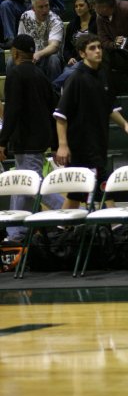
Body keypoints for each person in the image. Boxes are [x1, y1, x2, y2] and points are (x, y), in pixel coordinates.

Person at [54, 34, 128, 208]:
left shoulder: (102, 75)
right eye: (92, 48)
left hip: (99, 143)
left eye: (99, 47)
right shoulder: (75, 78)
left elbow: (109, 108)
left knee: (77, 194)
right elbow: (61, 116)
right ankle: (116, 228)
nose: (98, 51)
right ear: (82, 53)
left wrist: (125, 125)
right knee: (103, 188)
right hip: (81, 146)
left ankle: (62, 230)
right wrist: (63, 145)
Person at [0, 34, 63, 242]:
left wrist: (2, 140)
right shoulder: (41, 74)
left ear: (16, 52)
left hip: (26, 139)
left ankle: (68, 210)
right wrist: (54, 143)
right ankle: (17, 231)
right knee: (23, 183)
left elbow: (12, 111)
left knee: (33, 184)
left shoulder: (15, 74)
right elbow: (53, 109)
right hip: (39, 137)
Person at [53, 0, 98, 91]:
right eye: (76, 6)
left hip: (90, 58)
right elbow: (66, 48)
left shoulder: (97, 23)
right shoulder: (72, 25)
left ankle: (53, 86)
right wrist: (69, 58)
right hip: (74, 62)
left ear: (89, 6)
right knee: (69, 71)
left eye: (81, 5)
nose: (78, 8)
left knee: (71, 71)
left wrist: (77, 59)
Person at [16, 0, 64, 82]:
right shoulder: (26, 17)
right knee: (12, 61)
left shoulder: (55, 20)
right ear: (33, 8)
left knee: (54, 60)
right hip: (30, 56)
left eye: (46, 6)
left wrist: (38, 54)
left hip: (48, 57)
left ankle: (54, 93)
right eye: (41, 7)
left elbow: (54, 46)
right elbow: (20, 40)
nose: (45, 10)